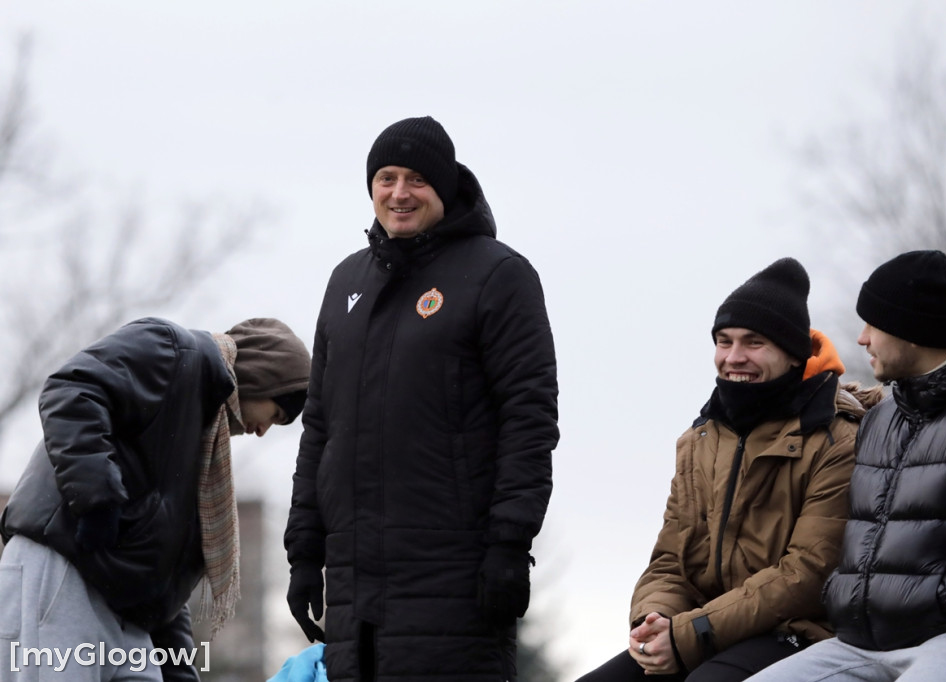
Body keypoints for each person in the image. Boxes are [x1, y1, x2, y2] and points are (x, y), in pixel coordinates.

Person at [284, 116, 559, 681]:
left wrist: (511, 543)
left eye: (417, 179)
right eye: (386, 178)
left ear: (444, 188)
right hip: (354, 587)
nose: (400, 193)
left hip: (455, 576)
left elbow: (528, 417)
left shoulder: (499, 275)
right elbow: (320, 427)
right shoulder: (346, 282)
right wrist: (304, 551)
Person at [576, 258, 879, 682]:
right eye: (724, 342)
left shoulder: (835, 440)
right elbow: (670, 561)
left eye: (754, 343)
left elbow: (806, 575)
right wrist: (655, 620)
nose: (734, 357)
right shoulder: (699, 440)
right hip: (704, 628)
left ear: (793, 355)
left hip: (799, 631)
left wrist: (688, 635)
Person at [745, 250, 946, 681]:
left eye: (873, 324)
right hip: (861, 641)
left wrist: (934, 598)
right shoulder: (880, 418)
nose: (862, 339)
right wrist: (846, 593)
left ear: (912, 330)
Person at [0, 316, 311, 682]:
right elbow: (71, 389)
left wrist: (179, 669)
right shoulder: (172, 350)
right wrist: (98, 501)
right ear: (264, 377)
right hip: (66, 568)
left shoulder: (206, 449)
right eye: (275, 415)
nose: (262, 431)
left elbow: (162, 579)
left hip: (124, 607)